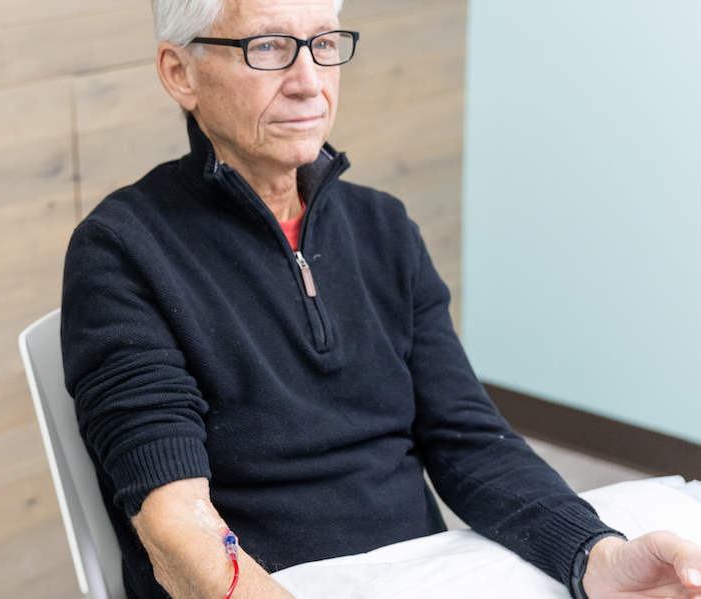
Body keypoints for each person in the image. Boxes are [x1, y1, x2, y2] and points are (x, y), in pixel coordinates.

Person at [60, 0, 701, 598]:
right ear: (180, 73)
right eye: (269, 47)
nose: (310, 82)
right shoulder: (122, 251)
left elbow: (470, 441)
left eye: (322, 44)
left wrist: (594, 555)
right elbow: (176, 523)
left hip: (419, 573)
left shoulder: (384, 229)